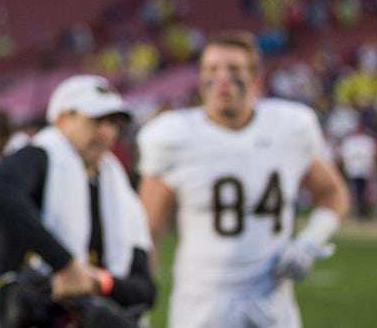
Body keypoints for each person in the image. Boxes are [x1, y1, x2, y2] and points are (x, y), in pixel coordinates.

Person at [137, 31, 350, 328]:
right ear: (200, 79)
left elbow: (332, 193)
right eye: (212, 69)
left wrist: (311, 240)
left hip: (272, 298)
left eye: (234, 69)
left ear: (255, 78)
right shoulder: (172, 135)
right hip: (202, 302)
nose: (222, 78)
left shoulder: (290, 125)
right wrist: (140, 304)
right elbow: (150, 228)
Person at [0, 75, 155, 328]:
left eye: (112, 122)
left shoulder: (119, 190)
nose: (106, 131)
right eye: (95, 120)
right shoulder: (42, 158)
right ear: (62, 119)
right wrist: (65, 264)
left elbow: (146, 291)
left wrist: (98, 281)